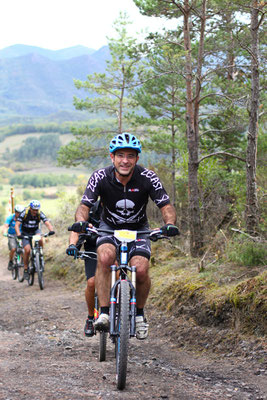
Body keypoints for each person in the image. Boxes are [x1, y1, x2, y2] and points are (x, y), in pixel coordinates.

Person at [68, 132, 179, 340]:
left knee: (142, 270)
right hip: (109, 228)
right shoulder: (100, 177)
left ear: (137, 159)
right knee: (105, 258)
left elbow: (165, 205)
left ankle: (139, 314)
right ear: (112, 157)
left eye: (130, 156)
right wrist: (82, 221)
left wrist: (169, 224)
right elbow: (84, 205)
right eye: (120, 155)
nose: (125, 160)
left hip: (139, 229)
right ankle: (103, 313)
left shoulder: (148, 178)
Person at [67, 200, 102, 337]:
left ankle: (120, 309)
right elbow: (77, 228)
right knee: (92, 283)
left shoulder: (120, 208)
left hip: (115, 248)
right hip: (93, 249)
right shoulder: (91, 209)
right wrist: (72, 245)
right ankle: (90, 317)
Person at [15, 200, 55, 279]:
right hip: (25, 232)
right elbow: (17, 225)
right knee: (27, 250)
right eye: (34, 210)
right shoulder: (24, 213)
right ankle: (26, 269)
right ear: (30, 208)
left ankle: (40, 253)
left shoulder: (39, 213)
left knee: (40, 238)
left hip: (35, 231)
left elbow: (46, 222)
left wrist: (51, 230)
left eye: (36, 210)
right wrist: (19, 234)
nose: (35, 212)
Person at [2, 204, 25, 270]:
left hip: (20, 234)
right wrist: (4, 232)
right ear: (15, 212)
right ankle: (11, 261)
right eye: (18, 212)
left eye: (21, 213)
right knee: (13, 249)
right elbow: (6, 226)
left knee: (23, 248)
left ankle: (24, 261)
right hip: (11, 235)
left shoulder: (23, 218)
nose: (19, 214)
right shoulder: (10, 217)